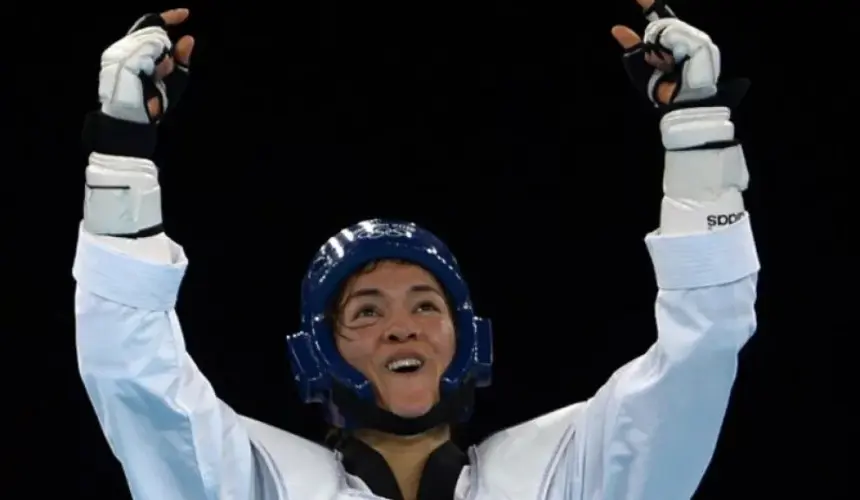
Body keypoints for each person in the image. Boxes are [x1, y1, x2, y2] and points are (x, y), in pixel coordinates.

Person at [73, 0, 760, 498]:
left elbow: (704, 348)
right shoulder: (260, 481)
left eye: (426, 304)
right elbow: (132, 372)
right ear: (318, 352)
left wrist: (699, 137)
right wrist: (122, 154)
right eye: (366, 311)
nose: (402, 324)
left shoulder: (567, 469)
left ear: (466, 336)